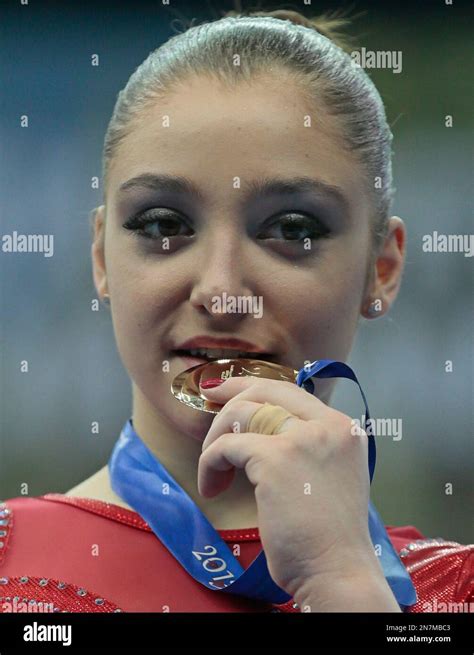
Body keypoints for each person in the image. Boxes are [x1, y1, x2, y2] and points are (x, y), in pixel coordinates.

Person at [1, 9, 472, 614]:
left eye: (292, 228)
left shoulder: (455, 593)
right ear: (100, 256)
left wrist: (345, 586)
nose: (222, 291)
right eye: (164, 224)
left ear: (381, 269)